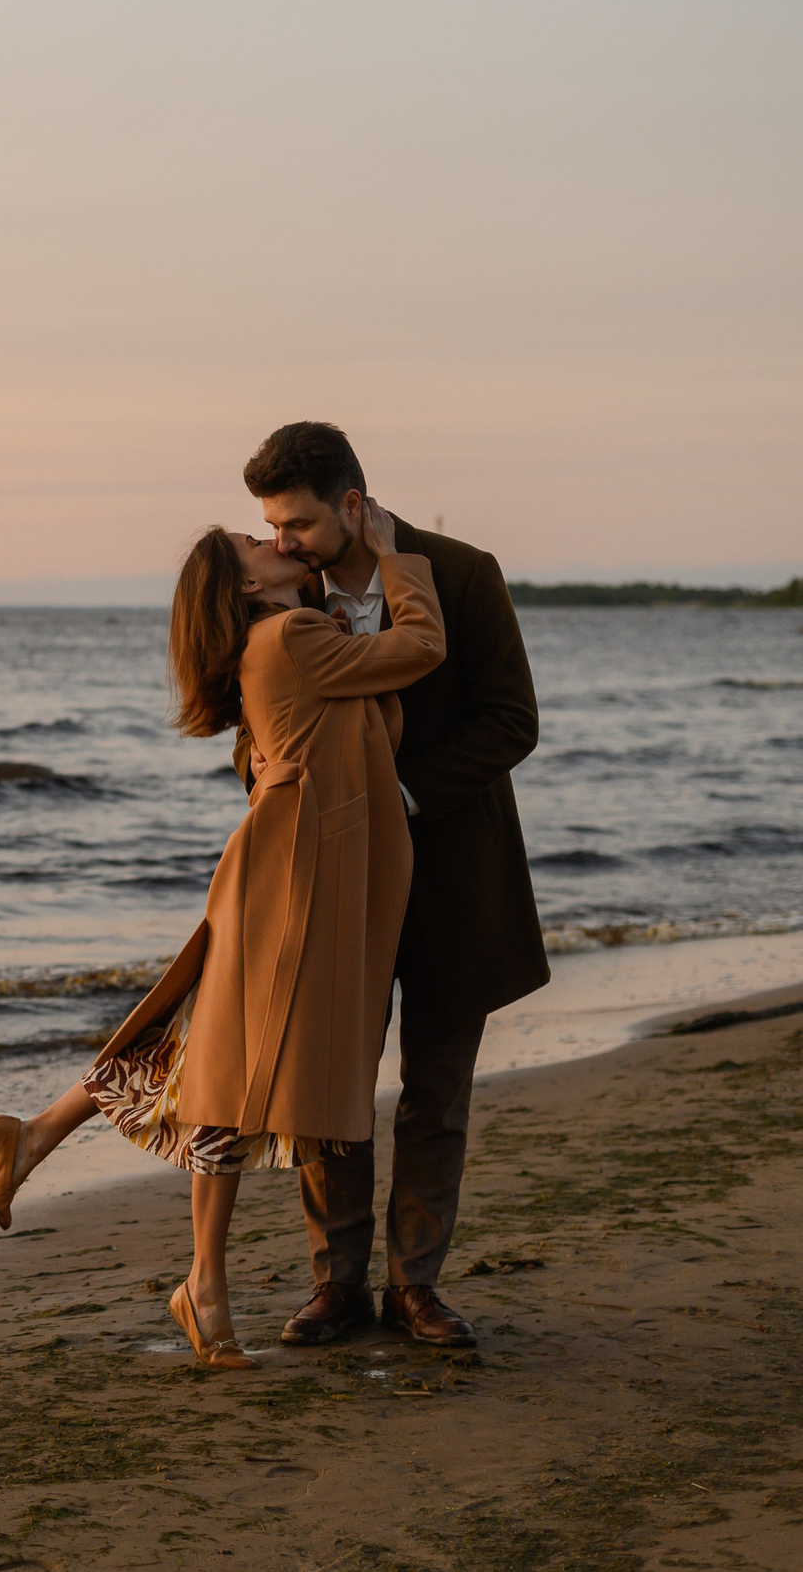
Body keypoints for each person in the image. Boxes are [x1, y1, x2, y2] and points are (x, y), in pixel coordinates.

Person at [0, 497, 444, 1368]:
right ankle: (199, 1283)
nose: (269, 541)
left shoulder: (287, 639)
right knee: (223, 1071)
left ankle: (42, 1136)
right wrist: (392, 558)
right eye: (251, 541)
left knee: (207, 1056)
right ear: (242, 581)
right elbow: (420, 649)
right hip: (286, 879)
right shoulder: (284, 641)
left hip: (293, 870)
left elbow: (373, 723)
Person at [241, 421, 549, 1350]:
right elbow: (260, 722)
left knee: (436, 1093)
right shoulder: (274, 594)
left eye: (294, 523)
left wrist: (398, 797)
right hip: (329, 878)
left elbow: (512, 720)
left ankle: (415, 1286)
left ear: (350, 504)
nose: (280, 540)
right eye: (269, 525)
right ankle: (335, 1286)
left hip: (454, 872)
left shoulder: (459, 570)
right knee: (327, 1087)